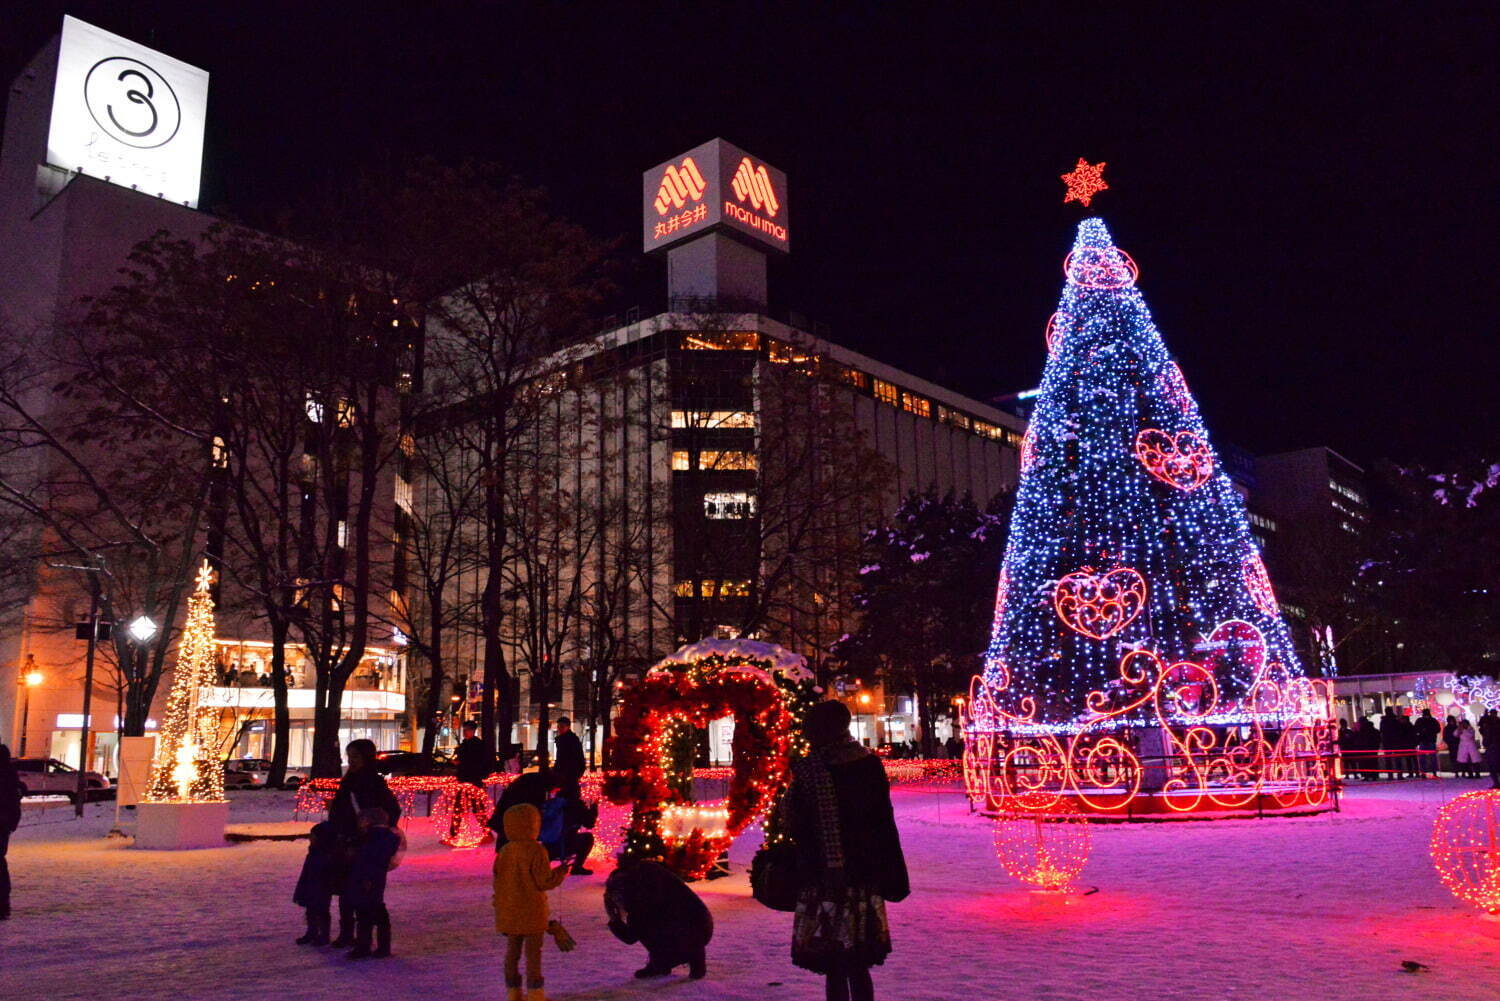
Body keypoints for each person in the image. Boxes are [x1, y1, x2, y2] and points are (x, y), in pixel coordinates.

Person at [787, 701, 909, 1001]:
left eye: (810, 725)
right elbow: (882, 821)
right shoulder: (867, 763)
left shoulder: (810, 768)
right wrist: (888, 868)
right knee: (857, 958)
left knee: (834, 960)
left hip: (826, 875)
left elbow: (798, 823)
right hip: (863, 873)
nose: (805, 731)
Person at [328, 739, 402, 948]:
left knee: (366, 891)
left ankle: (368, 939)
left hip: (367, 844)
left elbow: (391, 810)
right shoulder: (349, 780)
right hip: (347, 841)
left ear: (366, 758)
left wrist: (372, 825)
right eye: (349, 756)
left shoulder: (373, 782)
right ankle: (347, 933)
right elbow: (342, 810)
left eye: (356, 757)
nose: (351, 761)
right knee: (346, 889)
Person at [493, 803, 569, 1001]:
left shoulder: (505, 852)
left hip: (510, 910)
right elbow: (544, 881)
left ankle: (513, 993)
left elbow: (498, 882)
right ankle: (535, 994)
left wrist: (499, 907)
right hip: (532, 912)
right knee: (533, 955)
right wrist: (560, 873)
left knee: (512, 953)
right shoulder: (536, 850)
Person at [605, 857, 712, 979]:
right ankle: (665, 962)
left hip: (693, 930)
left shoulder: (640, 900)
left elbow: (629, 937)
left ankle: (672, 961)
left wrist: (613, 917)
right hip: (702, 923)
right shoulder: (649, 875)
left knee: (647, 926)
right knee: (654, 925)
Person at [344, 807, 402, 959]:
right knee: (373, 910)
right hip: (371, 878)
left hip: (368, 879)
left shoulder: (374, 838)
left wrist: (366, 878)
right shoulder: (379, 837)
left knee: (366, 913)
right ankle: (378, 946)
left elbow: (370, 859)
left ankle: (366, 946)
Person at [292, 820, 338, 945]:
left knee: (322, 909)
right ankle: (312, 932)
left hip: (322, 884)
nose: (310, 838)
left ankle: (324, 935)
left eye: (313, 835)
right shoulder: (314, 851)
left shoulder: (326, 854)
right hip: (311, 882)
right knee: (311, 908)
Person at [540, 784, 597, 876]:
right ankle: (577, 867)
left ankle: (543, 867)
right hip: (564, 846)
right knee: (588, 838)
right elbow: (589, 824)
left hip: (546, 846)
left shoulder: (551, 803)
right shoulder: (575, 805)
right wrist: (593, 810)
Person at [488, 771, 553, 852]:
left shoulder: (528, 781)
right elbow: (535, 807)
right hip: (515, 819)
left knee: (507, 838)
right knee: (510, 839)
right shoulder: (536, 787)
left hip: (507, 816)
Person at [1, 743, 21, 920]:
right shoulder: (11, 776)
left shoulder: (6, 777)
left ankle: (2, 905)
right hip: (4, 825)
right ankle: (3, 904)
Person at [455, 721, 495, 788]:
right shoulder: (463, 744)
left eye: (467, 730)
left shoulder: (478, 744)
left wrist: (461, 762)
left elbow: (477, 760)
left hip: (474, 777)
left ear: (473, 731)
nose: (464, 732)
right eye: (464, 730)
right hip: (463, 776)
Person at [552, 718, 585, 788]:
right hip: (565, 773)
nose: (559, 728)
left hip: (569, 773)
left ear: (568, 727)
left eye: (562, 726)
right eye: (558, 726)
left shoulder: (572, 740)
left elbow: (577, 757)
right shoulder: (562, 739)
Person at [1413, 708, 1440, 777]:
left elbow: (1415, 729)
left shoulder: (1421, 720)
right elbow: (1438, 729)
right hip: (1428, 740)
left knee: (1425, 758)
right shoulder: (1432, 720)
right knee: (1430, 758)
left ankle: (1425, 772)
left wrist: (1423, 732)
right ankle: (1431, 772)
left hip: (1426, 740)